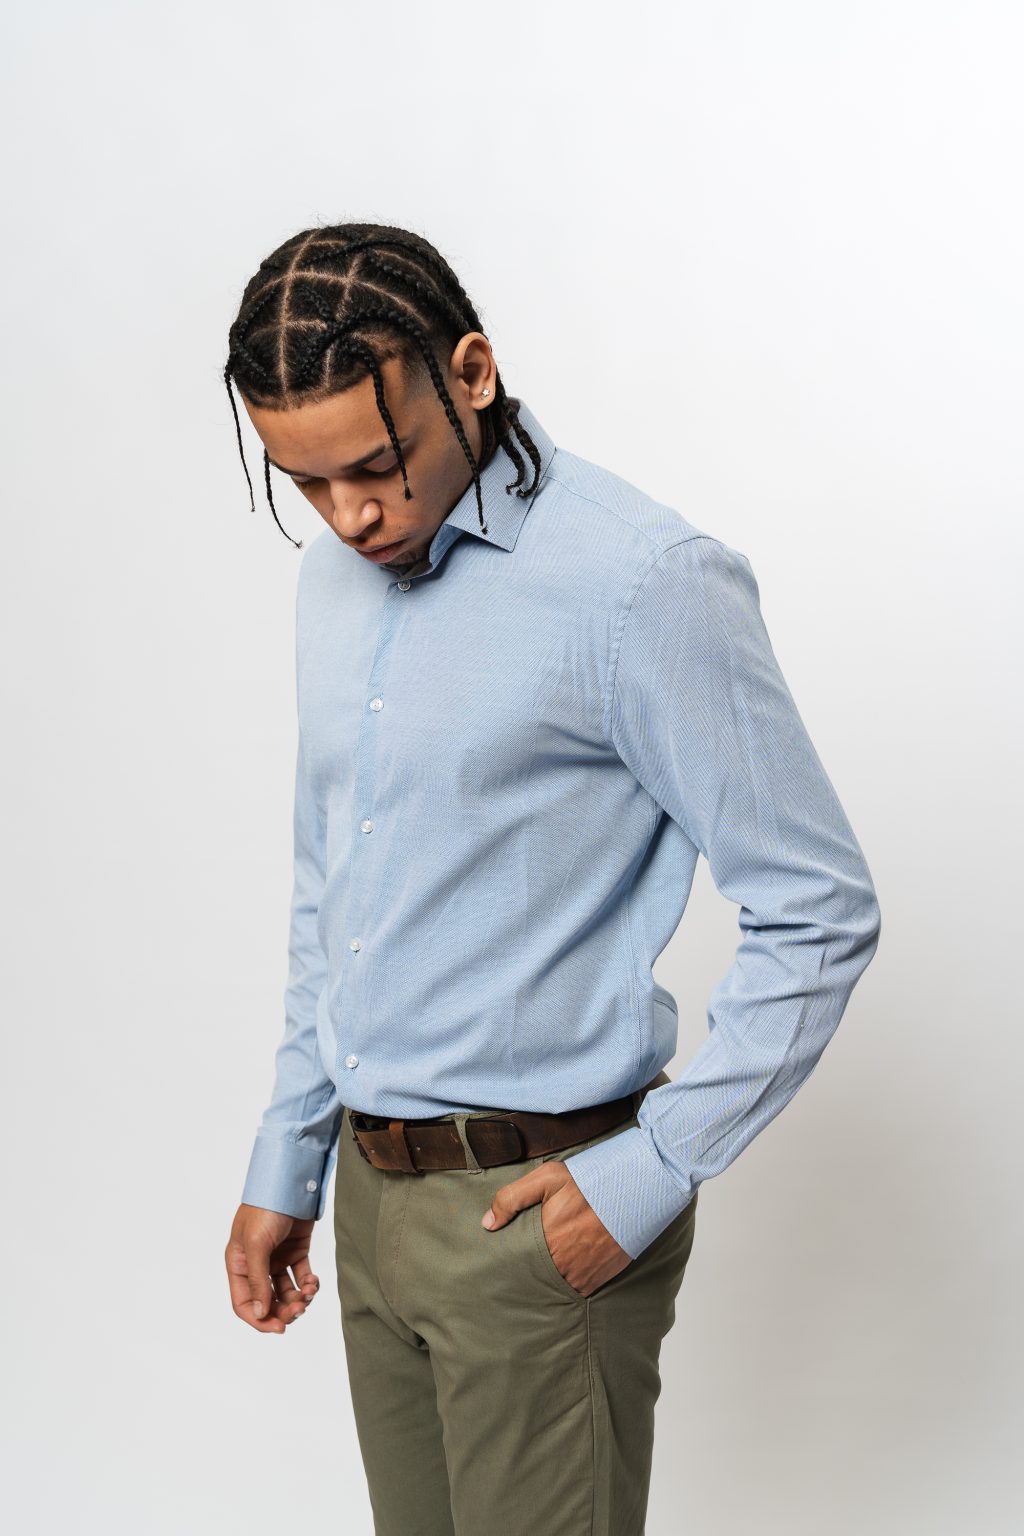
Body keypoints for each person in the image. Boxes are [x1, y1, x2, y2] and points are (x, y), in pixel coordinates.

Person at [221, 222, 882, 1535]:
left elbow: (819, 909)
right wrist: (287, 1155)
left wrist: (651, 1174)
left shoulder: (642, 585)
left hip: (534, 1213)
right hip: (368, 1203)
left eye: (376, 466)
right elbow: (332, 892)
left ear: (471, 373)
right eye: (306, 484)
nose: (349, 517)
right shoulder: (335, 585)